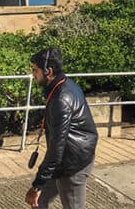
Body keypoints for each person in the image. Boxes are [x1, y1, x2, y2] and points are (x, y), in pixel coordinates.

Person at [25, 48, 98, 209]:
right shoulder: (62, 85)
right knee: (39, 202)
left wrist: (37, 185)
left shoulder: (61, 98)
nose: (33, 74)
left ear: (48, 71)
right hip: (64, 160)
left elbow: (57, 148)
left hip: (73, 164)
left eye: (35, 70)